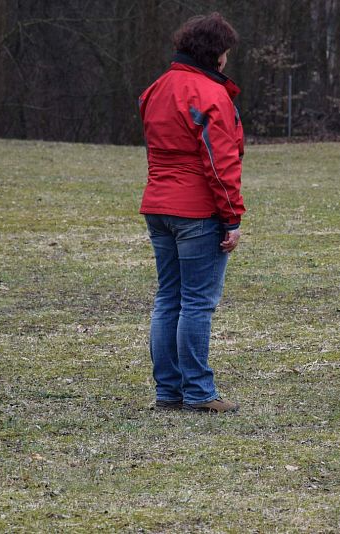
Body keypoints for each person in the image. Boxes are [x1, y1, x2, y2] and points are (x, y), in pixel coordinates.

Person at [138, 12, 244, 413]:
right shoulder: (211, 95)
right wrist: (231, 218)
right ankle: (198, 392)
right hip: (197, 211)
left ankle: (168, 391)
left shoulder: (156, 89)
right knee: (197, 302)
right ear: (216, 54)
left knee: (169, 298)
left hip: (158, 205)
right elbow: (220, 164)